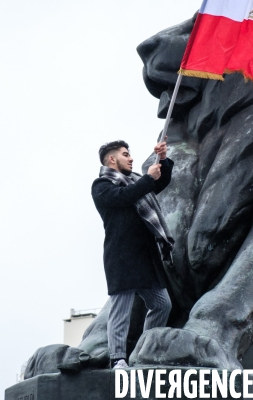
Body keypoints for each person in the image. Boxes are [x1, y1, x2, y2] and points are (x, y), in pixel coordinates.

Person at [91, 139, 174, 369]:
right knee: (121, 310)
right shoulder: (101, 186)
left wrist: (163, 160)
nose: (131, 158)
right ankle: (117, 358)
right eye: (126, 154)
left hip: (146, 257)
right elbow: (124, 197)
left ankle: (144, 351)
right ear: (112, 159)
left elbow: (160, 182)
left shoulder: (136, 181)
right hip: (122, 258)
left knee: (162, 304)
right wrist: (148, 178)